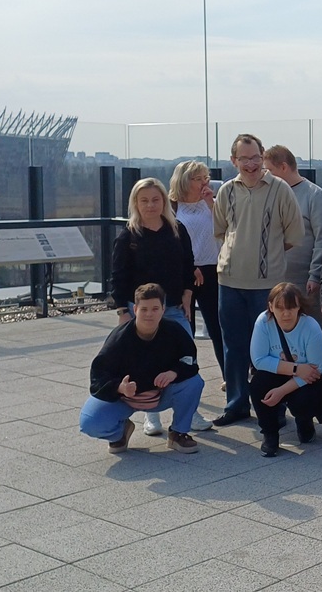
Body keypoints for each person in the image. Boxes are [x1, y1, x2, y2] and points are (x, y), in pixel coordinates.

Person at [212, 133, 304, 427]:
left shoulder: (280, 189)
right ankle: (236, 404)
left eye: (255, 157)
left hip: (267, 286)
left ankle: (273, 408)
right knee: (233, 347)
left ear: (263, 157)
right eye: (244, 158)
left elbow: (294, 235)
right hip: (229, 282)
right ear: (233, 160)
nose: (250, 164)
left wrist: (267, 256)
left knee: (270, 350)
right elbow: (221, 230)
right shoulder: (226, 191)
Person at [111, 177, 213, 434]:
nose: (150, 205)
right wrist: (123, 312)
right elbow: (118, 277)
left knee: (186, 358)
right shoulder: (128, 236)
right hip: (141, 312)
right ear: (135, 203)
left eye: (156, 199)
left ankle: (189, 412)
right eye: (144, 200)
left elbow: (188, 265)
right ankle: (152, 414)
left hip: (174, 308)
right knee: (145, 360)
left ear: (164, 201)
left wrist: (188, 294)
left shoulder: (177, 230)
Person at [80, 283, 204, 455]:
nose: (149, 314)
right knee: (89, 422)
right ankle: (119, 433)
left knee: (194, 382)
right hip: (125, 399)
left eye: (155, 309)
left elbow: (190, 359)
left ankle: (178, 433)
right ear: (135, 309)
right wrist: (119, 387)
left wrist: (174, 372)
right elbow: (98, 376)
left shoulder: (174, 331)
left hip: (161, 395)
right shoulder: (119, 338)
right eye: (144, 309)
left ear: (163, 309)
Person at [249, 283, 322, 457]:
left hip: (310, 378)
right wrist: (296, 368)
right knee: (258, 384)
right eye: (280, 308)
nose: (286, 314)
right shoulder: (263, 322)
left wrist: (281, 391)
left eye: (291, 307)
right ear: (271, 307)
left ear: (299, 306)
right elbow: (259, 360)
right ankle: (270, 433)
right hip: (286, 372)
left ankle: (305, 420)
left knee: (305, 397)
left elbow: (315, 369)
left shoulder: (311, 327)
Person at [264, 144, 322, 328]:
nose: (265, 175)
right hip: (274, 279)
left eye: (269, 170)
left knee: (308, 328)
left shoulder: (314, 195)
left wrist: (315, 275)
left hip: (304, 282)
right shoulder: (270, 195)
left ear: (283, 167)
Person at [169, 161, 225, 374]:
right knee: (186, 326)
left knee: (218, 328)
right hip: (186, 272)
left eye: (206, 178)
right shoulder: (172, 207)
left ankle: (229, 376)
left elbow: (227, 227)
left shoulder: (213, 203)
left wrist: (211, 203)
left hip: (213, 270)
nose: (204, 183)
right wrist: (190, 266)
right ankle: (186, 374)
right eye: (198, 179)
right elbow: (171, 243)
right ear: (185, 181)